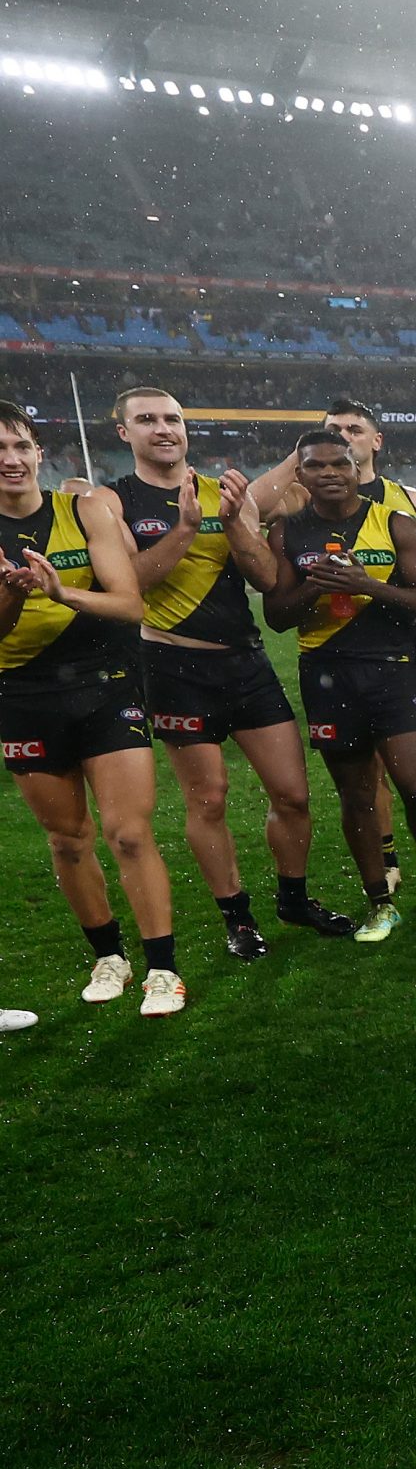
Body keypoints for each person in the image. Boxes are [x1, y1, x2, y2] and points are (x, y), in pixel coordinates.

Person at [100, 386, 343, 947]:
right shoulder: (112, 502)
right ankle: (236, 915)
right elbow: (129, 583)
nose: (164, 429)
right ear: (124, 432)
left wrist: (234, 523)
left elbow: (264, 578)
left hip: (246, 663)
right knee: (207, 798)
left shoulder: (223, 492)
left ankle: (294, 899)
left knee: (293, 794)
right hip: (171, 668)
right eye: (147, 420)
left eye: (173, 419)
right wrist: (186, 529)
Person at [0, 402, 188, 1015]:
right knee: (67, 840)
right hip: (23, 695)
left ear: (37, 450)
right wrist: (10, 598)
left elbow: (130, 605)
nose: (11, 460)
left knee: (129, 833)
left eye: (20, 446)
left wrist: (60, 591)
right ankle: (109, 956)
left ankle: (163, 969)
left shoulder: (82, 509)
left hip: (105, 684)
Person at [250, 397, 416, 890]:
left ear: (366, 450)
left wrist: (365, 584)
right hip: (329, 667)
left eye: (344, 449)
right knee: (359, 786)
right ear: (301, 473)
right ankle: (385, 874)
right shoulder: (289, 525)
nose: (331, 469)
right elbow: (277, 613)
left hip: (405, 652)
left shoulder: (401, 505)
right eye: (316, 463)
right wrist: (320, 585)